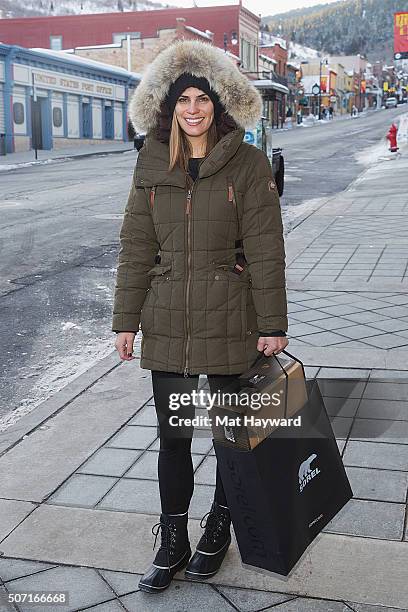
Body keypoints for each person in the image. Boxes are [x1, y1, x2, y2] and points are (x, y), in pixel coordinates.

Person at [112, 39, 289, 594]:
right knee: (174, 436)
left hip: (232, 317)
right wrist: (125, 320)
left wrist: (272, 323)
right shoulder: (149, 164)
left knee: (230, 435)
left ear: (219, 105)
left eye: (203, 99)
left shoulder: (248, 162)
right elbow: (136, 246)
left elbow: (265, 247)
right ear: (168, 107)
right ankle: (172, 536)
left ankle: (220, 523)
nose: (193, 108)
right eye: (183, 99)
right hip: (167, 320)